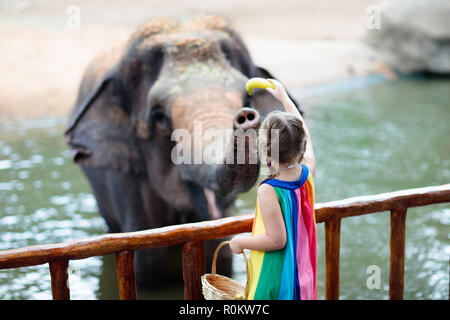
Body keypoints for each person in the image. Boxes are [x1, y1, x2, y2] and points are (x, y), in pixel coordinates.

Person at [230, 79, 316, 300]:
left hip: (275, 280)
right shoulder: (308, 172)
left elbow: (277, 240)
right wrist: (284, 98)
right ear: (302, 146)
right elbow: (304, 131)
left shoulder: (269, 190)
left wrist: (241, 242)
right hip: (302, 273)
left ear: (265, 150)